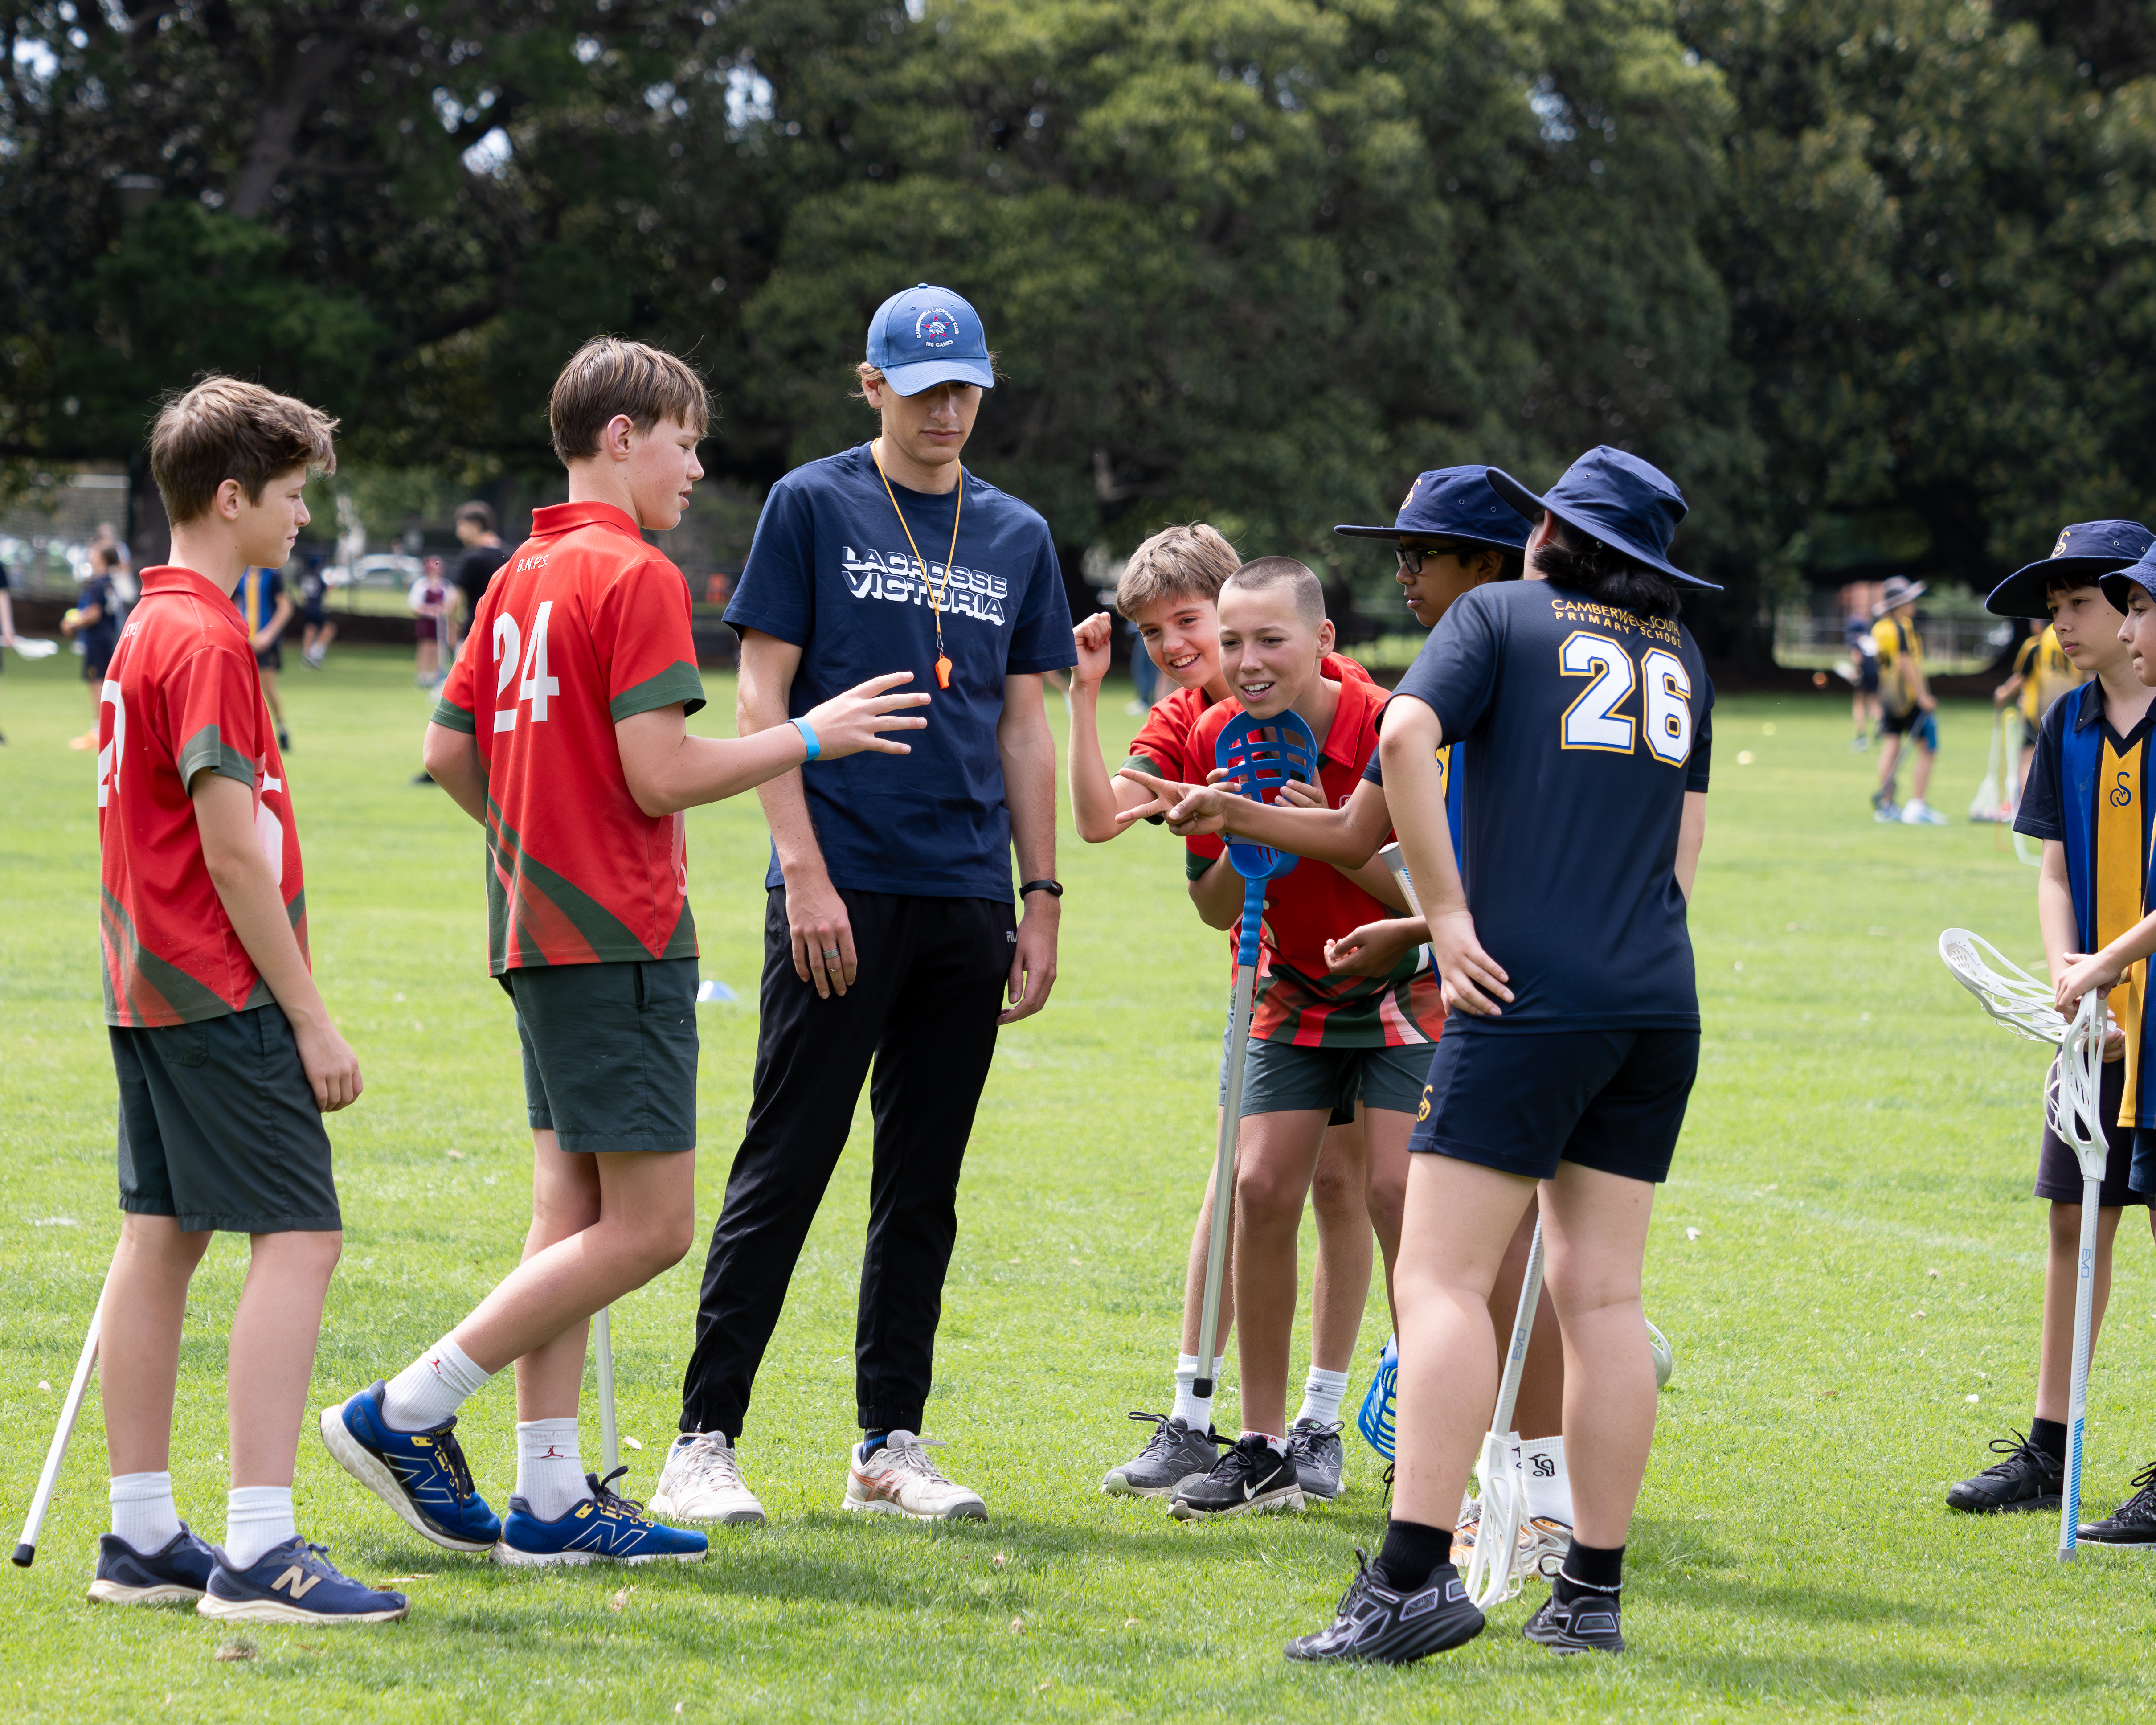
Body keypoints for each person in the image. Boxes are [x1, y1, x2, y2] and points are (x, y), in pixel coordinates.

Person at [318, 337, 927, 1567]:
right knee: (647, 1227)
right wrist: (808, 735)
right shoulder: (633, 573)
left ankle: (548, 1505)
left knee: (571, 1217)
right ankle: (407, 1407)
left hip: (535, 928)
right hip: (621, 935)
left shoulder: (517, 572)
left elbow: (448, 755)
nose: (698, 464)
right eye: (684, 439)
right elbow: (661, 773)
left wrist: (541, 840)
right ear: (618, 437)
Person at [1281, 447, 1716, 1664]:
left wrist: (1452, 921)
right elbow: (1677, 849)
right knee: (1605, 1296)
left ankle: (1411, 1576)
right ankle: (1588, 1588)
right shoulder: (1678, 653)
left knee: (1437, 1280)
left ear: (1547, 538)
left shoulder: (1496, 611)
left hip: (1525, 990)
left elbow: (1405, 737)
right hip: (1652, 993)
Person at [649, 284, 1073, 1528]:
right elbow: (758, 692)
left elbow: (1022, 723)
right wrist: (803, 869)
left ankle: (889, 1440)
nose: (947, 410)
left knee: (921, 1179)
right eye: (922, 385)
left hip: (965, 895)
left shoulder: (1017, 532)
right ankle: (703, 1435)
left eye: (965, 389)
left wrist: (1038, 895)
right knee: (787, 1157)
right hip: (837, 885)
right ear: (872, 383)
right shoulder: (813, 501)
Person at [87, 375, 407, 1624]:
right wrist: (313, 1016)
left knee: (161, 1236)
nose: (299, 525)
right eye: (287, 500)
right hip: (214, 985)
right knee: (302, 1234)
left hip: (143, 979)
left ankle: (141, 1529)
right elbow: (232, 850)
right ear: (231, 497)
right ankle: (261, 1548)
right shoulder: (211, 634)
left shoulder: (141, 623)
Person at [1068, 521, 1383, 1503]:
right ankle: (1206, 1420)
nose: (1177, 648)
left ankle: (1319, 1423)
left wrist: (1285, 821)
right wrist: (1084, 706)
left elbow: (1394, 856)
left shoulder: (1348, 702)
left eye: (1191, 623)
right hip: (1272, 971)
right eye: (1154, 633)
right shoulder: (1187, 726)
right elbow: (1110, 827)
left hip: (1379, 970)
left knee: (1346, 1187)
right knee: (1244, 1182)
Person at [2021, 537, 2156, 1545]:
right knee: (2073, 1220)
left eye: (2076, 604)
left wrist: (2105, 972)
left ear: (2131, 610)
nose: (2060, 627)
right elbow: (2057, 866)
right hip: (2091, 1021)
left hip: (2148, 1019)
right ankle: (2047, 1447)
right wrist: (2070, 976)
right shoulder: (2064, 720)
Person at [1994, 615, 2084, 813]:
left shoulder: (2035, 646)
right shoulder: (2075, 644)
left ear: (2037, 624)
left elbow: (2021, 677)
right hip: (2071, 709)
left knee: (2027, 757)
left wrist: (2003, 694)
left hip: (2037, 711)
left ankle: (2026, 805)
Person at [1871, 575, 1940, 824]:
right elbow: (1905, 663)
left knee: (1891, 747)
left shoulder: (1879, 629)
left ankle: (1886, 804)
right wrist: (1922, 696)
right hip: (1909, 700)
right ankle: (1917, 805)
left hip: (1888, 698)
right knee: (1928, 748)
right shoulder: (1901, 628)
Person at [62, 544, 124, 750]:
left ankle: (99, 732)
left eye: (95, 553)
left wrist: (72, 624)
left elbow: (94, 614)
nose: (91, 555)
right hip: (107, 639)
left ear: (102, 559)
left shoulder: (98, 585)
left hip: (97, 641)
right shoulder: (109, 583)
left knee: (97, 683)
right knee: (103, 683)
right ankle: (106, 730)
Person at [234, 560, 294, 751]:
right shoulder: (241, 573)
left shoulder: (273, 574)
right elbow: (236, 603)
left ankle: (282, 728)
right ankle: (246, 735)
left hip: (266, 642)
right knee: (242, 688)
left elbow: (285, 607)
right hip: (245, 640)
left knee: (268, 687)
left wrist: (268, 634)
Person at [450, 500, 509, 652]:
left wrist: (452, 626)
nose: (458, 533)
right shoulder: (510, 555)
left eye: (461, 526)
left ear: (475, 526)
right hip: (504, 635)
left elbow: (455, 601)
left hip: (474, 634)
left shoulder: (472, 557)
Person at [407, 557, 450, 688]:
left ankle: (435, 676)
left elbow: (451, 603)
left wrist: (443, 611)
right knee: (425, 648)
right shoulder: (422, 585)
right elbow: (415, 605)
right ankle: (422, 676)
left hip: (441, 623)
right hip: (426, 622)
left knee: (438, 648)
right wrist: (429, 611)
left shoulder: (445, 585)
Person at [1845, 611, 1880, 748]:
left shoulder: (1855, 640)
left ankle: (1861, 736)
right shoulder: (1870, 640)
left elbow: (1857, 659)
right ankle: (1879, 723)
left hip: (1864, 674)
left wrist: (1854, 673)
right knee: (1873, 702)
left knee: (1859, 703)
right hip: (1876, 674)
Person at [297, 553, 337, 669]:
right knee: (330, 628)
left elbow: (302, 594)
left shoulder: (305, 577)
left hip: (307, 608)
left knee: (310, 630)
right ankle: (315, 653)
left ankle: (306, 656)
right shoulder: (318, 577)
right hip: (316, 608)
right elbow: (327, 591)